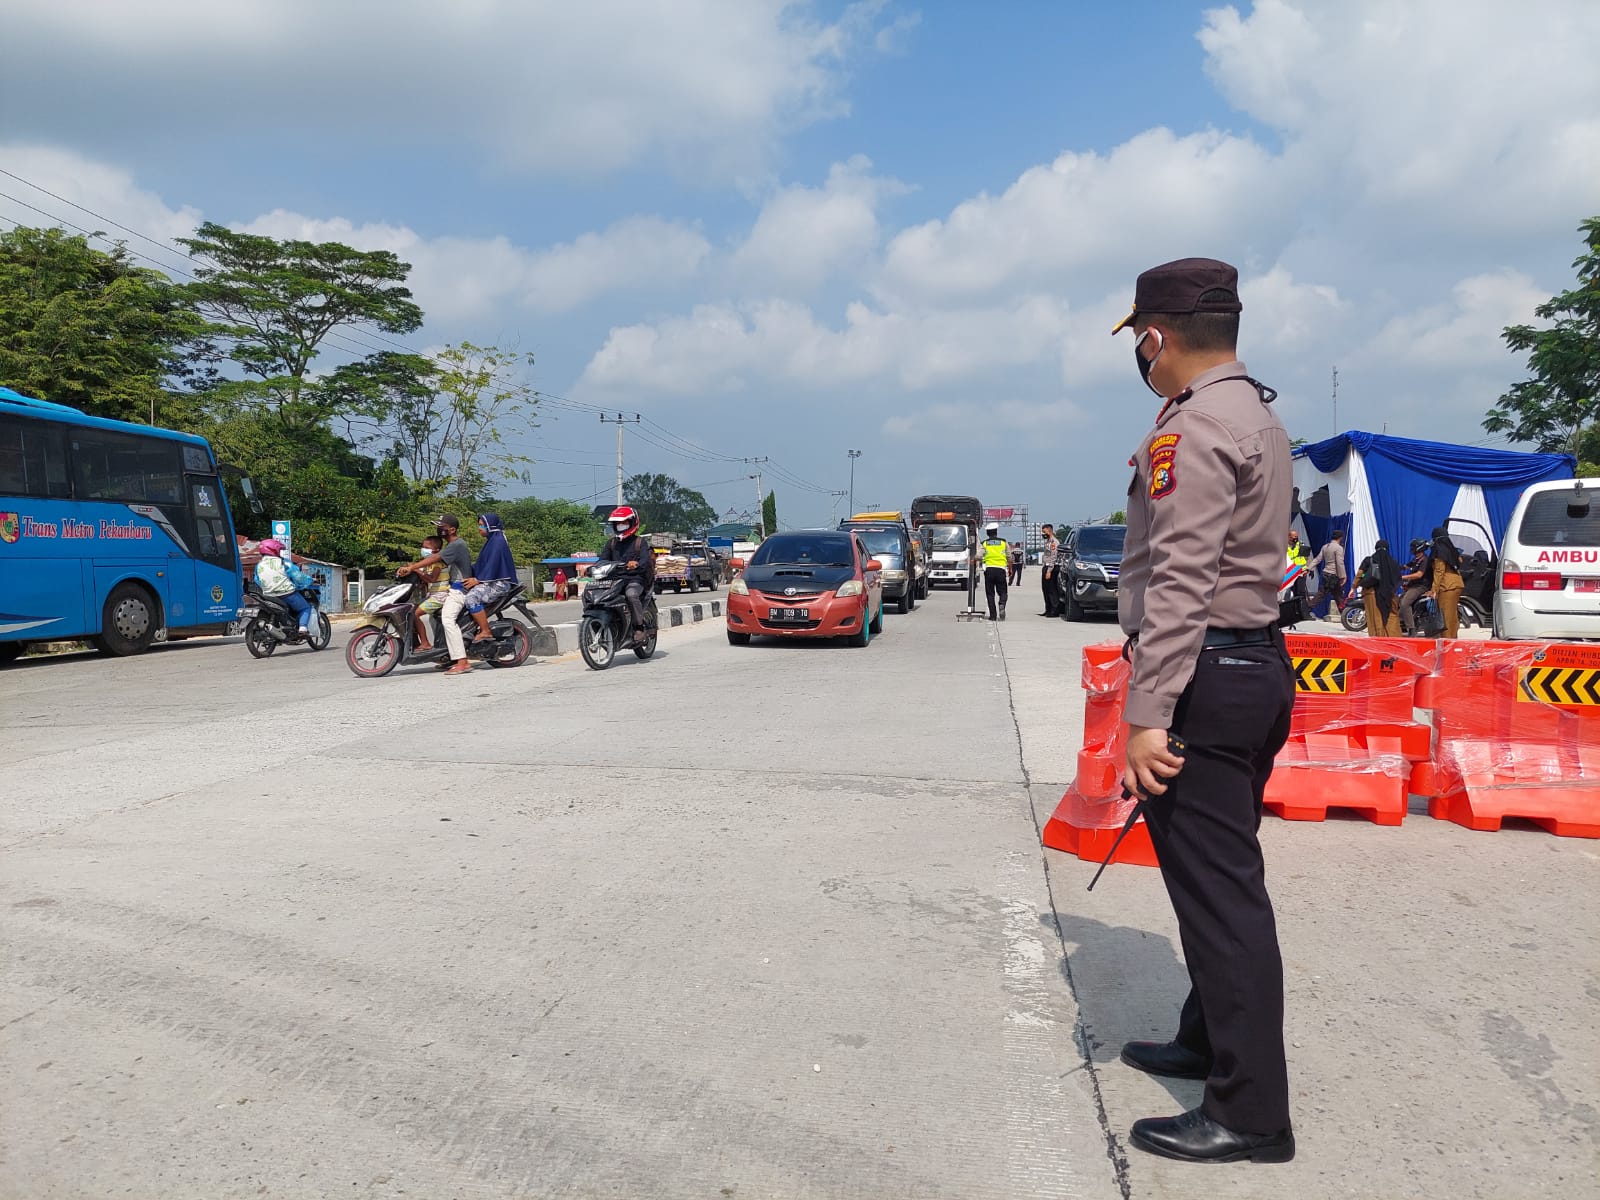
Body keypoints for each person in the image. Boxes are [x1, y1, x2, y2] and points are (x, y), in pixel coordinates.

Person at [1111, 257, 1297, 1164]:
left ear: (1155, 336)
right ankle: (1207, 1041)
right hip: (1252, 666)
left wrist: (1147, 711)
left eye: (1138, 342)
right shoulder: (1257, 411)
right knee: (1213, 878)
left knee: (1222, 898)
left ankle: (1251, 1111)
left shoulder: (1193, 430)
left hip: (1203, 679)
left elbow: (1182, 580)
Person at [399, 513, 475, 674]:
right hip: (451, 589)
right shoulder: (451, 546)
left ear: (452, 529)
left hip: (458, 589)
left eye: (442, 527)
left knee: (448, 619)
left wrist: (413, 568)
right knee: (435, 619)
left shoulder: (456, 545)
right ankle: (446, 654)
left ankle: (462, 661)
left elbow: (434, 559)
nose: (439, 529)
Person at [596, 505, 655, 643]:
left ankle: (639, 627)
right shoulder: (611, 543)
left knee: (631, 595)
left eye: (624, 523)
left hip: (635, 579)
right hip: (615, 581)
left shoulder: (640, 542)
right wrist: (593, 568)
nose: (620, 526)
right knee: (597, 595)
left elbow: (645, 562)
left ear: (632, 523)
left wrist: (636, 564)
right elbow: (602, 559)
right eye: (618, 523)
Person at [459, 512, 518, 645]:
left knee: (471, 598)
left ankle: (485, 630)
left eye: (482, 525)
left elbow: (493, 564)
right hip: (490, 581)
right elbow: (482, 564)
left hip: (499, 583)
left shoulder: (497, 542)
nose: (479, 528)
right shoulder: (491, 542)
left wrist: (478, 579)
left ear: (490, 526)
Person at [253, 538, 316, 637]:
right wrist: (310, 580)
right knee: (305, 608)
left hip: (268, 595)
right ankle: (303, 628)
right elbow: (298, 577)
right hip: (287, 594)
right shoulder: (284, 563)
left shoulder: (259, 565)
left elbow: (257, 580)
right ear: (273, 550)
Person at [1426, 525, 1466, 639]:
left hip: (1446, 586)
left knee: (1445, 617)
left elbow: (1439, 571)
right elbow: (1459, 561)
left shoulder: (1439, 551)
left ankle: (1447, 641)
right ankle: (1453, 639)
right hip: (1457, 584)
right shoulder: (1451, 550)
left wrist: (1434, 590)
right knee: (1453, 616)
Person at [1360, 540, 1403, 637]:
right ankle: (1395, 640)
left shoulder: (1370, 560)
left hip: (1373, 593)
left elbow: (1360, 574)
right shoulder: (1393, 562)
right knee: (1392, 618)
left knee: (1376, 618)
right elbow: (1397, 578)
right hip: (1391, 595)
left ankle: (1378, 641)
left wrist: (1354, 586)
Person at [1311, 529, 1347, 621]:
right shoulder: (1338, 548)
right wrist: (1343, 576)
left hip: (1325, 573)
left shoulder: (1325, 546)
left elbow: (1318, 559)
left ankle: (1307, 608)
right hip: (1333, 575)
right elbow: (1340, 563)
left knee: (1329, 594)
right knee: (1337, 596)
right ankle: (1345, 615)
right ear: (1340, 537)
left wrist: (1309, 567)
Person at [1398, 538, 1430, 635]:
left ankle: (1411, 629)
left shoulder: (1424, 560)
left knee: (1405, 603)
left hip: (1420, 586)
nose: (1411, 549)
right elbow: (1405, 566)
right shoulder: (1416, 559)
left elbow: (1419, 574)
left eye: (1413, 547)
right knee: (1398, 601)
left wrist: (1402, 577)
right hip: (1413, 586)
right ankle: (1402, 623)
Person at [980, 522, 1010, 620]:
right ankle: (1002, 604)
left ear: (987, 533)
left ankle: (993, 616)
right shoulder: (1003, 542)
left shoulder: (984, 543)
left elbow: (978, 555)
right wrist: (1010, 568)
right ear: (996, 532)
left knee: (990, 594)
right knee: (1003, 592)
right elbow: (1009, 556)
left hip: (989, 570)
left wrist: (974, 559)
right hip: (1001, 570)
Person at [1039, 523, 1061, 617]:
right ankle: (1048, 609)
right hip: (1046, 566)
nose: (1043, 533)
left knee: (1052, 590)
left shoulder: (1054, 542)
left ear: (1049, 530)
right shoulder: (1048, 541)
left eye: (1044, 531)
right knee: (1045, 589)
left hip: (1051, 568)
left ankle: (1054, 610)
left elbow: (1053, 557)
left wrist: (1049, 570)